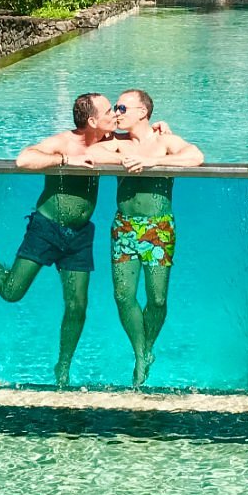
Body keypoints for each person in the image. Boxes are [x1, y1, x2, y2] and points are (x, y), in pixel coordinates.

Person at [0, 93, 116, 387]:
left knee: (77, 306)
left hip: (80, 234)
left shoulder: (109, 140)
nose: (115, 115)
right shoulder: (64, 141)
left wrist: (158, 130)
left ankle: (63, 366)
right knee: (12, 292)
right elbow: (24, 159)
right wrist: (66, 160)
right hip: (46, 227)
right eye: (110, 110)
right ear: (92, 120)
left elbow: (146, 146)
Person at [75, 89, 203, 388]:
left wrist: (152, 163)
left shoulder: (165, 141)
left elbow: (195, 156)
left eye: (121, 107)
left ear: (143, 112)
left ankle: (147, 348)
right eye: (115, 108)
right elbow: (89, 153)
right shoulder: (117, 144)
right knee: (123, 296)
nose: (116, 113)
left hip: (159, 227)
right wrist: (119, 159)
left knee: (157, 298)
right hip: (125, 227)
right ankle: (141, 353)